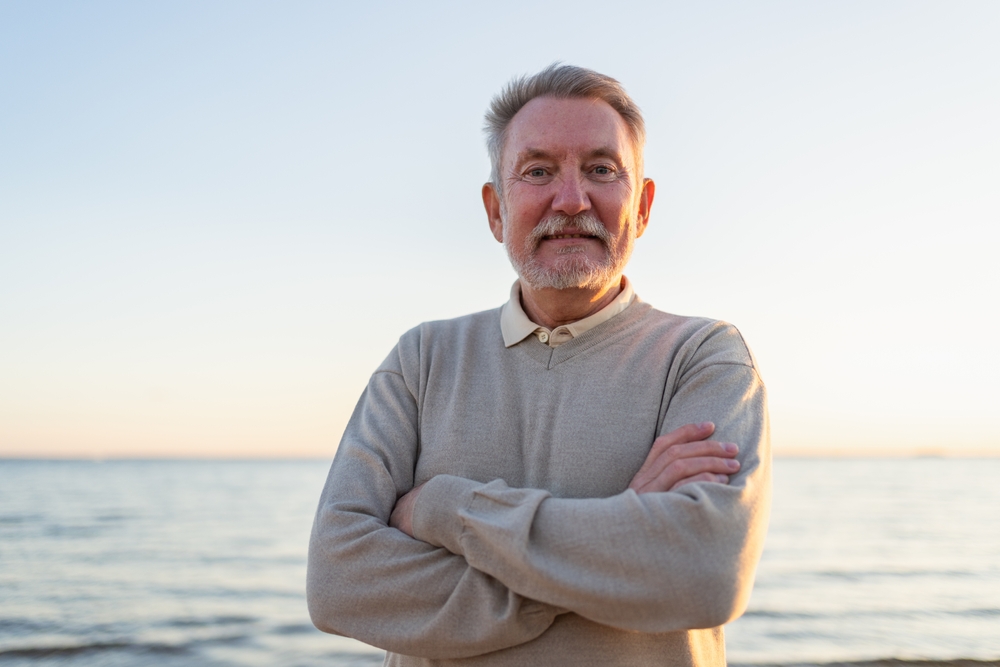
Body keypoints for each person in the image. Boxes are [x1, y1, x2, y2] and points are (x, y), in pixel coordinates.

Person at [307, 63, 771, 667]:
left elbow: (704, 572)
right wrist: (619, 532)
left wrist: (447, 509)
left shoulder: (702, 357)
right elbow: (338, 585)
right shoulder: (421, 361)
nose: (572, 199)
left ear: (643, 205)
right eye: (538, 171)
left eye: (602, 170)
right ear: (496, 208)